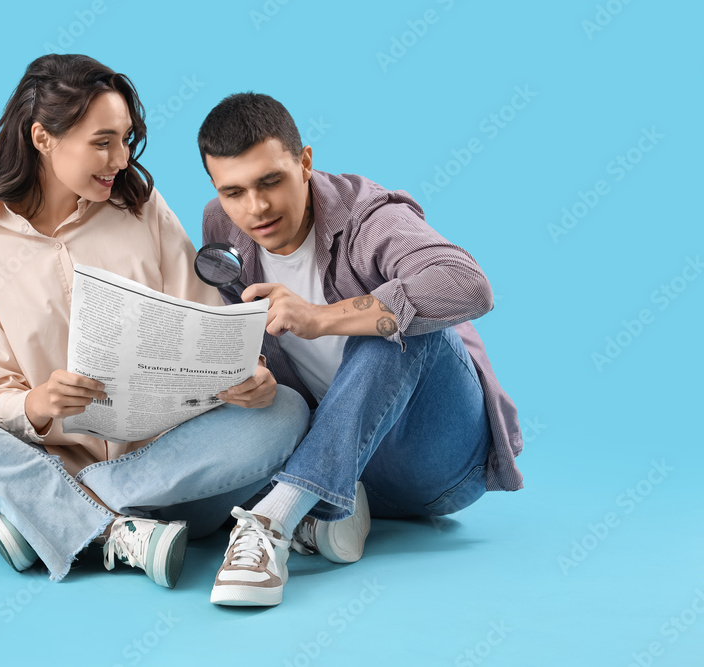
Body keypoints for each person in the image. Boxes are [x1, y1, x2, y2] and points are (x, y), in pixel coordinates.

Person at [0, 57, 309, 587]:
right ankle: (109, 530)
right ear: (43, 138)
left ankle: (51, 519)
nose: (121, 159)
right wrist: (36, 405)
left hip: (171, 475)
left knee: (284, 409)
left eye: (126, 140)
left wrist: (245, 377)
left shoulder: (141, 207)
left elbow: (206, 325)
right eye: (103, 142)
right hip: (41, 456)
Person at [197, 93, 524, 606]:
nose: (255, 208)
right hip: (346, 467)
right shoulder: (222, 226)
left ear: (305, 162)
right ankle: (327, 515)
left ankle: (273, 521)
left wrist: (322, 317)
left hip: (435, 461)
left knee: (392, 329)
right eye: (233, 191)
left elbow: (469, 285)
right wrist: (255, 374)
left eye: (271, 181)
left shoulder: (368, 216)